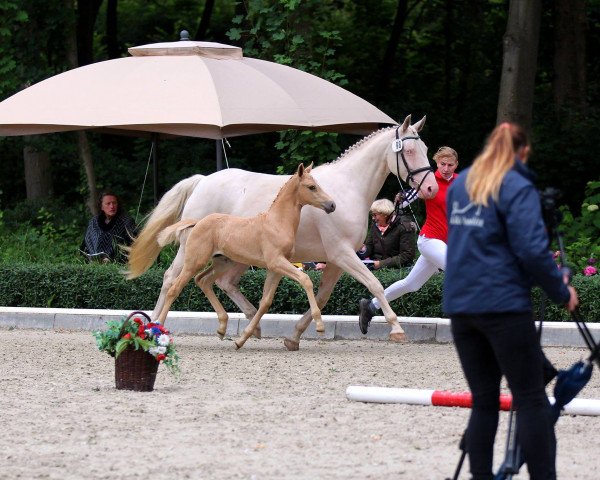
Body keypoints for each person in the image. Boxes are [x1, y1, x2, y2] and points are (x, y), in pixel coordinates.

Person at [443, 122, 578, 480]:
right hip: (502, 304)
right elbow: (532, 251)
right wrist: (562, 291)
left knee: (483, 400)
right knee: (530, 398)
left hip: (461, 306)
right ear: (523, 153)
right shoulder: (517, 185)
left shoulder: (460, 183)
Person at [358, 146, 459, 334]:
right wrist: (405, 196)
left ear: (456, 165)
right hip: (429, 240)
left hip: (446, 243)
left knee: (411, 284)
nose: (445, 168)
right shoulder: (429, 181)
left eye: (450, 165)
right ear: (436, 164)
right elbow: (402, 204)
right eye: (442, 164)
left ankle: (370, 306)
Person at [80, 191, 137, 263]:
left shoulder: (127, 222)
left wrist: (113, 258)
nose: (112, 206)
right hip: (94, 264)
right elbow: (86, 244)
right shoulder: (93, 222)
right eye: (108, 203)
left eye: (114, 203)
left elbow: (133, 245)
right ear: (101, 206)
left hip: (118, 265)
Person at [361, 198, 416, 269]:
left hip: (396, 270)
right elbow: (369, 245)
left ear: (384, 214)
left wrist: (380, 264)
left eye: (375, 215)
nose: (373, 218)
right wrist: (363, 249)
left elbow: (407, 256)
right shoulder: (375, 225)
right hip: (374, 266)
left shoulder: (404, 226)